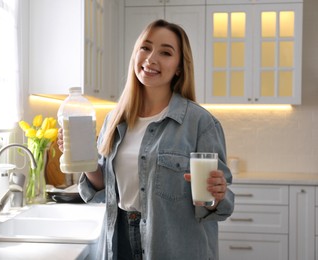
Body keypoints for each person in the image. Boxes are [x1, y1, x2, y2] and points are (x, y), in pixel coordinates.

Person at [57, 19, 234, 260]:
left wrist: (217, 194)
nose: (151, 58)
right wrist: (84, 156)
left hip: (173, 246)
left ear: (179, 67)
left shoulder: (200, 123)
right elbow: (104, 189)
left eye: (165, 52)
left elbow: (218, 205)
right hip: (119, 241)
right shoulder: (114, 119)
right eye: (146, 47)